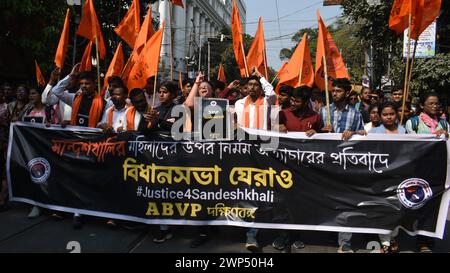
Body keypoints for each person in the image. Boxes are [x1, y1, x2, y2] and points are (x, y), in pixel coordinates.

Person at [52, 65, 109, 229]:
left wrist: (102, 125)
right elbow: (56, 92)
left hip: (93, 147)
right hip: (74, 146)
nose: (84, 86)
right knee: (72, 177)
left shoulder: (104, 103)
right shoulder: (74, 98)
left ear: (94, 85)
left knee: (87, 178)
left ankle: (82, 211)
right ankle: (72, 210)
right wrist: (70, 76)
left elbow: (102, 122)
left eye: (87, 83)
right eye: (82, 83)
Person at [320, 78, 366, 253]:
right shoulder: (324, 111)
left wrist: (355, 133)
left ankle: (345, 243)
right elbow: (314, 135)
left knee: (346, 202)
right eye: (333, 90)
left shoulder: (356, 114)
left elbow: (362, 137)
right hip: (325, 165)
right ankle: (331, 231)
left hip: (346, 166)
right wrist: (320, 132)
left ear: (347, 93)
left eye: (339, 91)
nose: (335, 93)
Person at [405, 92, 449, 253]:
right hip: (419, 171)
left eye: (437, 103)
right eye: (431, 103)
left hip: (438, 171)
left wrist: (446, 136)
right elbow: (412, 144)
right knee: (420, 204)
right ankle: (418, 237)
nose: (435, 106)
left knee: (434, 206)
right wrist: (432, 139)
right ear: (422, 105)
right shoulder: (413, 123)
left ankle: (426, 240)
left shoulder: (444, 124)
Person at [20, 87, 56, 218]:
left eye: (34, 93)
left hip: (46, 150)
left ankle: (51, 204)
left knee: (48, 177)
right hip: (31, 151)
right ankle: (37, 204)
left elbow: (56, 129)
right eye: (30, 93)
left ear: (41, 95)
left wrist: (50, 125)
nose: (30, 96)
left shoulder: (49, 110)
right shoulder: (27, 110)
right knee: (35, 177)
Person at [234, 68, 277, 132]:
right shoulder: (239, 103)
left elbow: (272, 94)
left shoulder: (266, 102)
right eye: (250, 84)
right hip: (243, 138)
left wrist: (260, 76)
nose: (252, 87)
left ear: (261, 89)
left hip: (261, 138)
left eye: (256, 85)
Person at [0, 87, 9, 211]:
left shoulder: (6, 107)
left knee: (3, 171)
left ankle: (2, 199)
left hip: (3, 142)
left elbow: (7, 123)